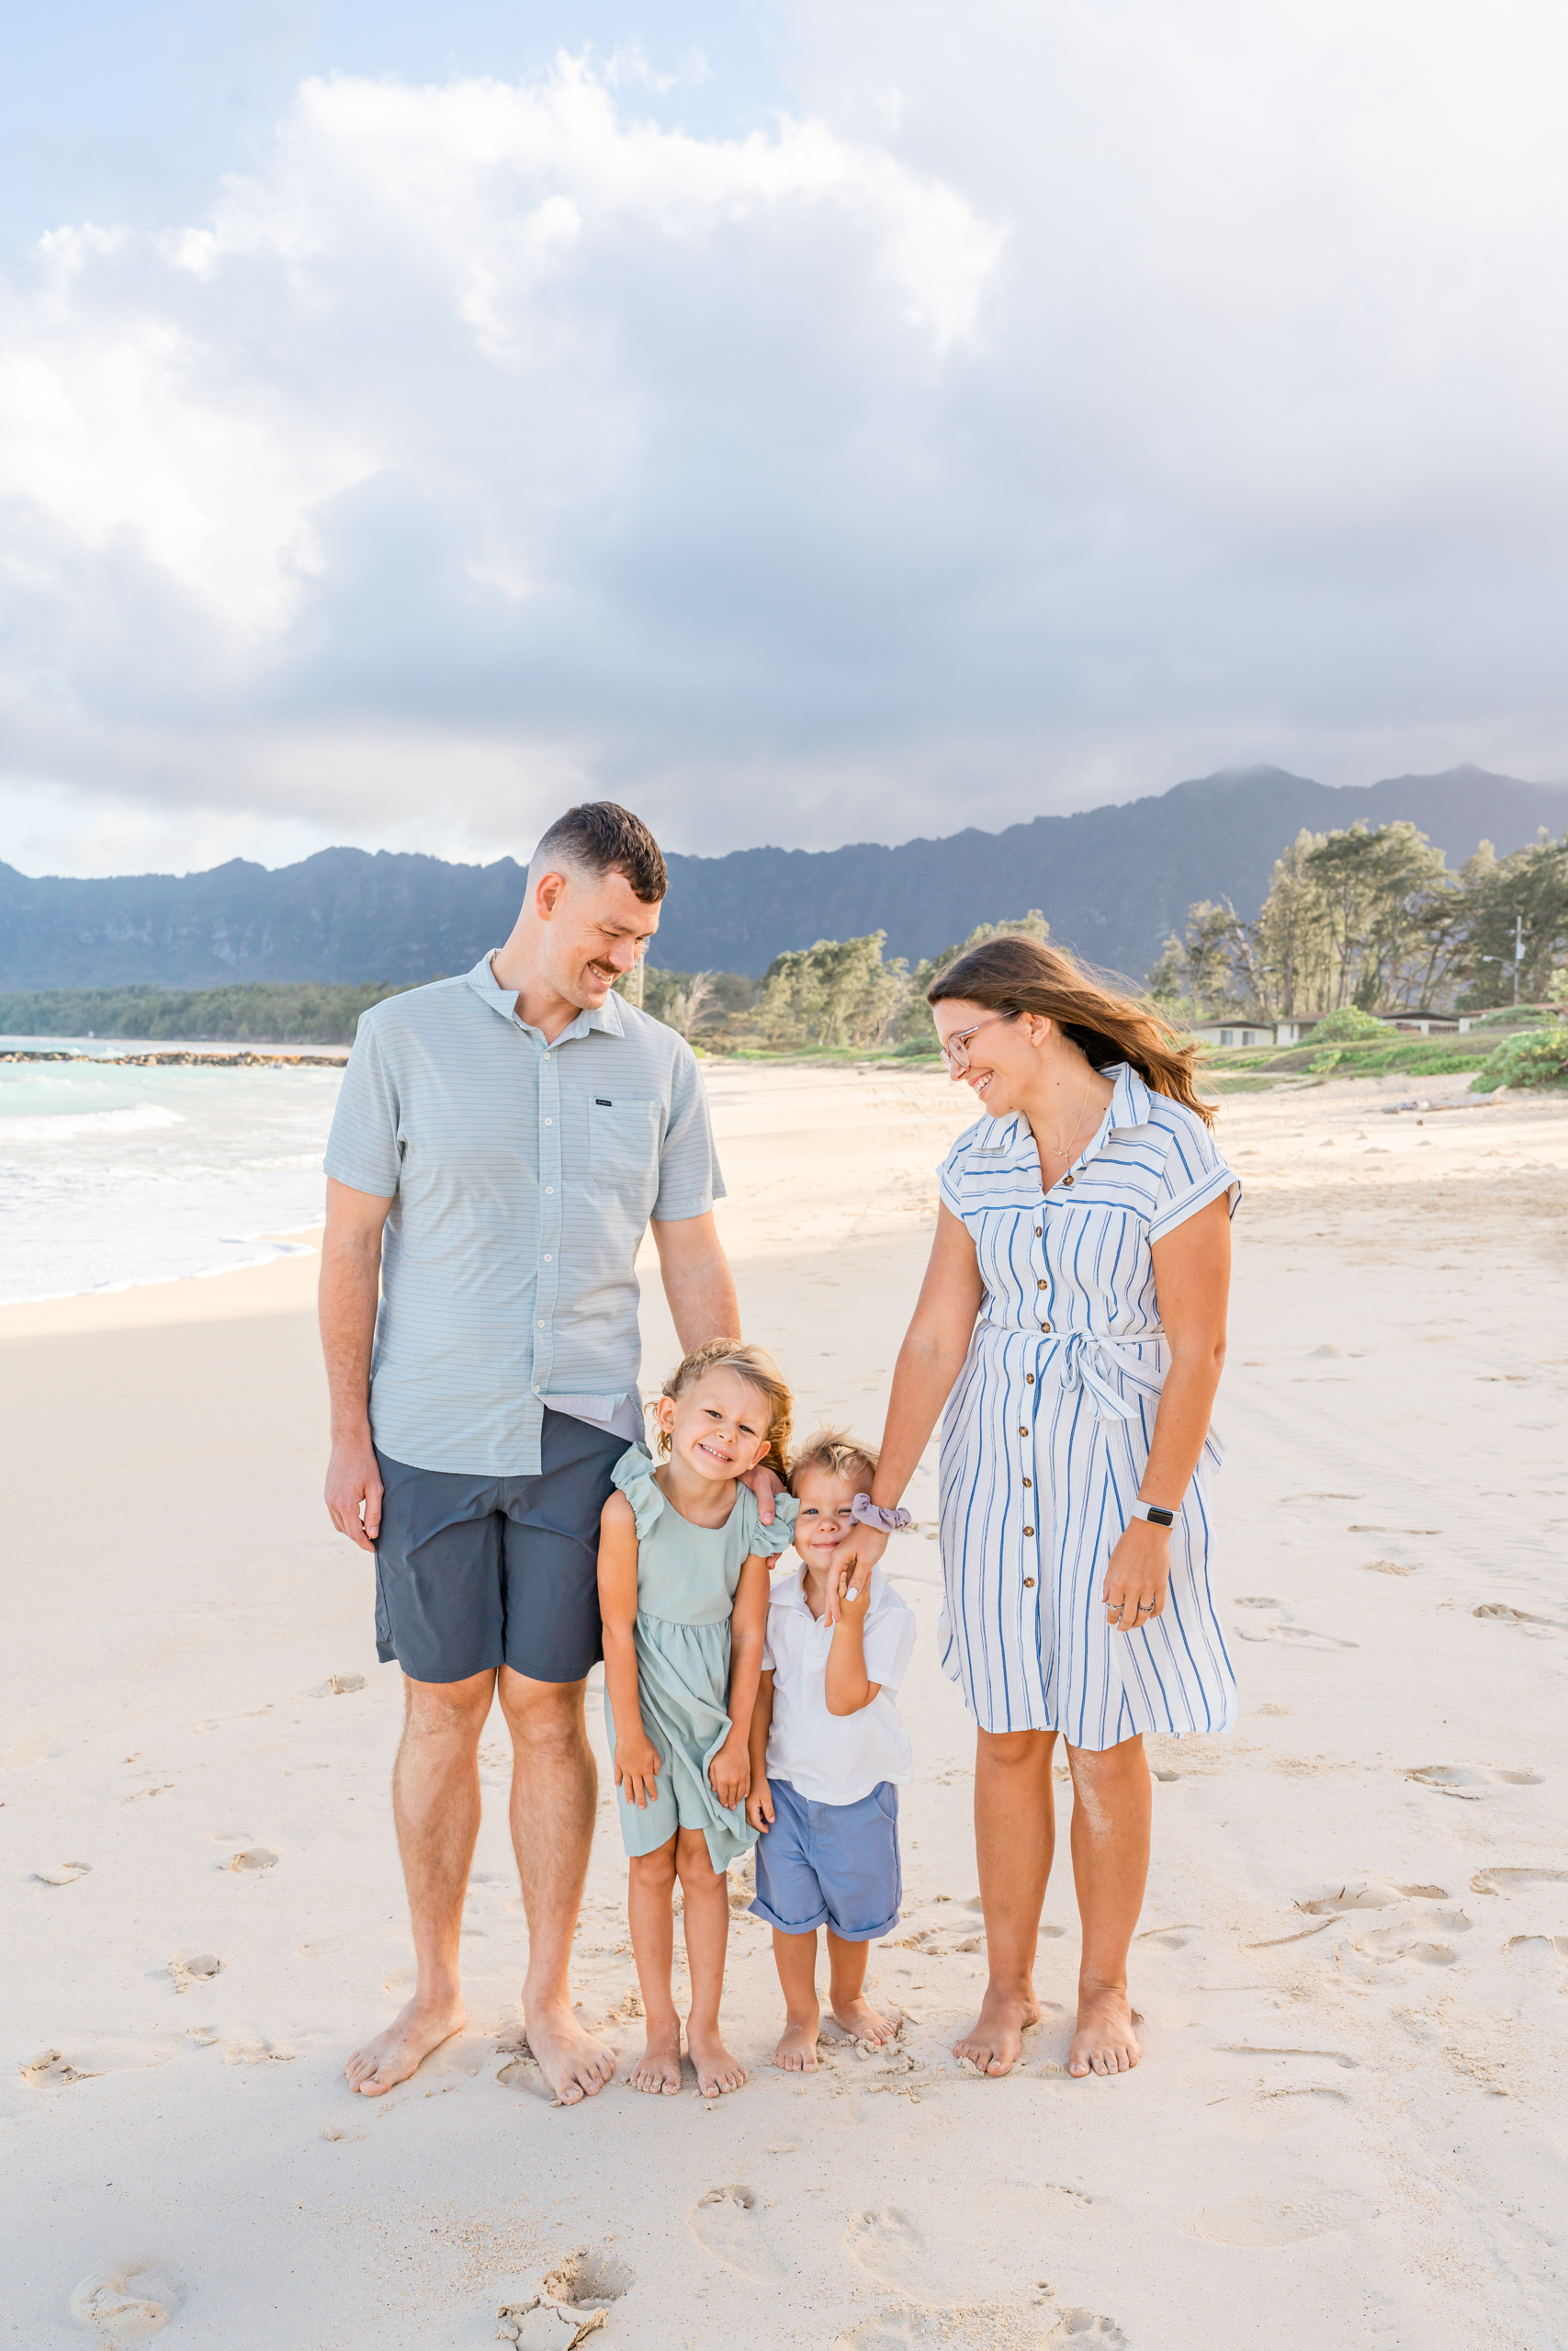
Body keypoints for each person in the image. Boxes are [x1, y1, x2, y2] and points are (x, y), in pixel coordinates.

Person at [318, 802, 780, 2105]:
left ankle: (544, 1996)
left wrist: (742, 1438)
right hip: (428, 1433)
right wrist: (348, 1432)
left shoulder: (660, 1063)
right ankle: (434, 1986)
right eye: (609, 932)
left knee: (546, 1708)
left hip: (588, 1438)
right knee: (440, 1707)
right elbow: (351, 1247)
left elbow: (688, 1250)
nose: (621, 959)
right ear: (544, 894)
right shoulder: (399, 1036)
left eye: (638, 941)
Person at [828, 935, 1238, 2082]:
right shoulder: (979, 1162)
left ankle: (1105, 1990)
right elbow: (936, 1336)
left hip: (1120, 1478)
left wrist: (1154, 1520)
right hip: (992, 1475)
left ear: (1035, 1022)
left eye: (966, 1042)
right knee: (1009, 1734)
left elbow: (1198, 1348)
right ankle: (1007, 1986)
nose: (957, 1066)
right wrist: (882, 1506)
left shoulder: (1167, 1148)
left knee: (1105, 1743)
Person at [599, 1341, 796, 2099]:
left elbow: (749, 1635)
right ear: (668, 1416)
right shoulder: (631, 1507)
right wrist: (630, 1735)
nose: (726, 1434)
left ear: (764, 1448)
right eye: (712, 1414)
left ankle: (706, 2028)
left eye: (747, 1428)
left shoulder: (752, 1514)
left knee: (703, 1868)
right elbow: (616, 1630)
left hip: (713, 1708)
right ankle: (658, 2027)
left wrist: (740, 1743)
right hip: (643, 1705)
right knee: (651, 1864)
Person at [747, 1426, 917, 2072]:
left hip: (860, 1791)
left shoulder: (887, 1613)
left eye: (845, 1512)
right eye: (811, 1511)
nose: (826, 1526)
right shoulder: (776, 1601)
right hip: (788, 1787)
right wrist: (759, 1774)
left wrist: (849, 1608)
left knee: (851, 1916)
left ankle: (846, 1997)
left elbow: (846, 1696)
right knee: (790, 1915)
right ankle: (800, 2014)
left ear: (872, 1523)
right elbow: (762, 1691)